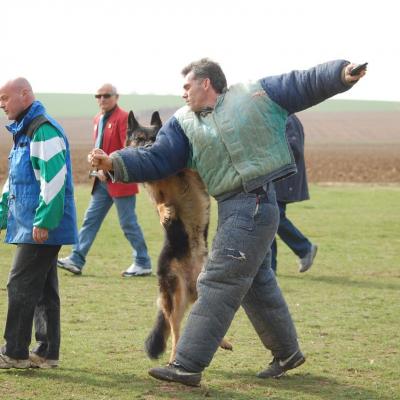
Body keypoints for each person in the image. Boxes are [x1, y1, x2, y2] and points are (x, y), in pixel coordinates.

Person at [89, 59, 366, 386]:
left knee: (218, 279)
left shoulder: (254, 95)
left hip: (258, 202)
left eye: (187, 86)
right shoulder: (182, 124)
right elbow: (156, 157)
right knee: (255, 281)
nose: (183, 93)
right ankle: (287, 352)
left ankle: (187, 364)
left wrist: (339, 74)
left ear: (206, 83)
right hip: (235, 206)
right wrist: (114, 162)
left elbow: (299, 84)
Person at [0, 78, 78, 369]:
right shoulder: (23, 132)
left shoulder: (42, 130)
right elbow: (16, 182)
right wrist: (1, 216)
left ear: (25, 94)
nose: (1, 104)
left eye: (5, 97)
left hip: (42, 226)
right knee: (43, 288)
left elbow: (54, 179)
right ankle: (46, 353)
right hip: (31, 224)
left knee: (19, 283)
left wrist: (45, 221)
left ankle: (14, 352)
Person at [57, 83, 151, 277]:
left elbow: (128, 149)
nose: (102, 99)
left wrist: (108, 170)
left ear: (116, 97)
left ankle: (143, 262)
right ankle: (76, 258)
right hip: (101, 182)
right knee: (90, 220)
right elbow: (101, 145)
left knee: (128, 223)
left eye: (106, 95)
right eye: (98, 96)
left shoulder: (124, 118)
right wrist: (95, 159)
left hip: (121, 179)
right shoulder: (97, 118)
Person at [271, 114, 317, 274]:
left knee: (274, 218)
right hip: (276, 179)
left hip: (282, 179)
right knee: (268, 221)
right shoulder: (280, 115)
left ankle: (304, 248)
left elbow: (294, 148)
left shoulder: (286, 117)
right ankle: (269, 269)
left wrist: (268, 156)